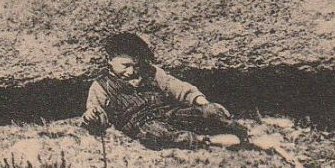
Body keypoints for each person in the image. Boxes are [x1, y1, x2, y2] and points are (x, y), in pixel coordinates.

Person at [80, 32, 249, 150]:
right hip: (141, 124)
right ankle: (208, 142)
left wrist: (202, 102)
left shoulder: (151, 72)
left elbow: (176, 87)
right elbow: (96, 112)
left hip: (169, 114)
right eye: (125, 65)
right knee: (155, 134)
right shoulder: (101, 86)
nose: (131, 71)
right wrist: (92, 116)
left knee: (209, 111)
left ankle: (241, 132)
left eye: (136, 65)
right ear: (109, 60)